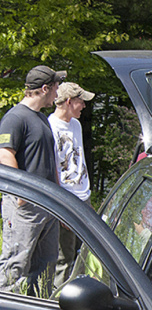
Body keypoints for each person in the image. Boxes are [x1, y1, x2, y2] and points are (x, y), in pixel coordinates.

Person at [0, 65, 66, 296]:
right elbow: (5, 154)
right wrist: (21, 195)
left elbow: (50, 161)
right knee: (15, 266)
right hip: (25, 207)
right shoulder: (15, 118)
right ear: (45, 88)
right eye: (56, 87)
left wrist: (60, 200)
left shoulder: (41, 119)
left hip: (48, 204)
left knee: (46, 269)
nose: (58, 92)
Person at [49, 82, 96, 287]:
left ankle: (83, 291)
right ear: (68, 102)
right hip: (66, 198)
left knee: (87, 250)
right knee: (65, 256)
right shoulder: (50, 127)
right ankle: (61, 300)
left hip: (83, 196)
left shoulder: (75, 124)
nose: (84, 106)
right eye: (80, 101)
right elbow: (53, 170)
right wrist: (60, 205)